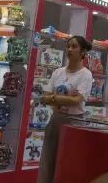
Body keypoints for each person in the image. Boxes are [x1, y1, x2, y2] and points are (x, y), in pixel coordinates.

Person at [37, 36, 93, 183]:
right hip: (55, 120)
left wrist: (54, 98)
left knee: (69, 163)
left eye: (74, 46)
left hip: (74, 122)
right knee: (48, 161)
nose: (69, 49)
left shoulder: (86, 75)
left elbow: (76, 100)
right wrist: (59, 99)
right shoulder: (58, 72)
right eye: (68, 46)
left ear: (83, 52)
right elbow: (45, 97)